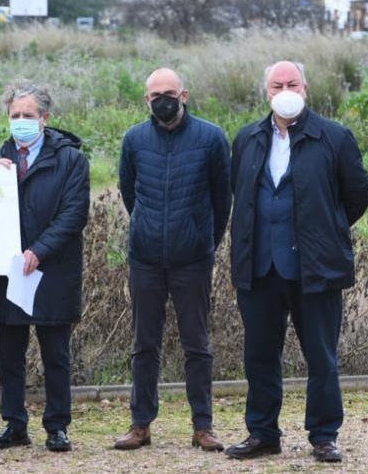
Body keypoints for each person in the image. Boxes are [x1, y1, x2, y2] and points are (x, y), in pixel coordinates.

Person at [225, 61, 368, 464]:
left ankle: (324, 435)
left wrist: (326, 231)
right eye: (277, 84)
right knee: (259, 355)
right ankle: (263, 433)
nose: (284, 89)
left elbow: (356, 196)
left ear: (305, 89)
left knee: (322, 356)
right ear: (266, 92)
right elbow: (240, 193)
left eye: (292, 83)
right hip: (260, 267)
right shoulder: (248, 138)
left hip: (315, 268)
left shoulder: (334, 138)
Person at [114, 67, 232, 453]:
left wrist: (203, 240)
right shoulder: (134, 140)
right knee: (144, 345)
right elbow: (129, 191)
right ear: (146, 100)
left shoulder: (212, 138)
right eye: (154, 95)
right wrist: (148, 228)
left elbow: (221, 199)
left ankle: (203, 426)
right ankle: (140, 424)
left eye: (169, 92)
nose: (162, 100)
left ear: (184, 95)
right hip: (145, 258)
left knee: (197, 345)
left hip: (192, 259)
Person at [0, 80, 90, 453]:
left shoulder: (71, 160)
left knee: (55, 354)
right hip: (7, 273)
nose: (21, 121)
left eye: (29, 115)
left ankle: (57, 426)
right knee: (10, 353)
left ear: (45, 117)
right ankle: (14, 424)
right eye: (15, 115)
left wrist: (40, 250)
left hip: (52, 270)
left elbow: (73, 214)